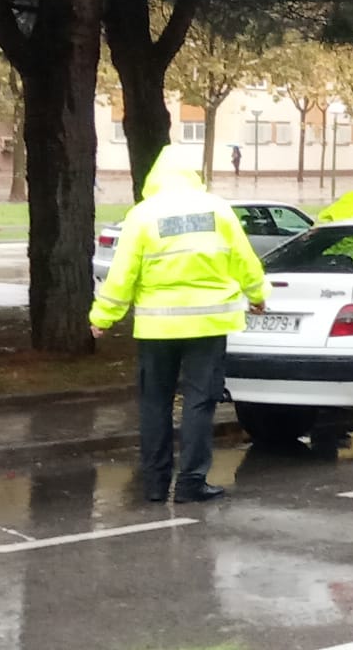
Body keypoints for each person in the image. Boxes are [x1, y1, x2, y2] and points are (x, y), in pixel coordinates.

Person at [90, 148, 268, 504]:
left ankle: (155, 484)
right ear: (192, 175)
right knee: (199, 403)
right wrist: (257, 294)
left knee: (155, 403)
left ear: (154, 176)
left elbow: (122, 273)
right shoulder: (218, 210)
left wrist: (103, 317)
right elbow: (243, 259)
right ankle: (191, 482)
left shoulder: (142, 216)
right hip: (208, 324)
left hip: (158, 329)